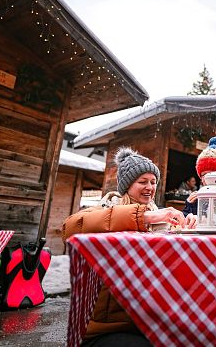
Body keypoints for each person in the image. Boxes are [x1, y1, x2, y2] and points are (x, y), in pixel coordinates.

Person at [62, 147, 195, 346]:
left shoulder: (161, 217)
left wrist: (188, 227)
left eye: (153, 182)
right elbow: (70, 227)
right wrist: (142, 216)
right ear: (126, 185)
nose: (149, 187)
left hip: (149, 319)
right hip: (111, 326)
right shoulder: (107, 209)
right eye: (142, 181)